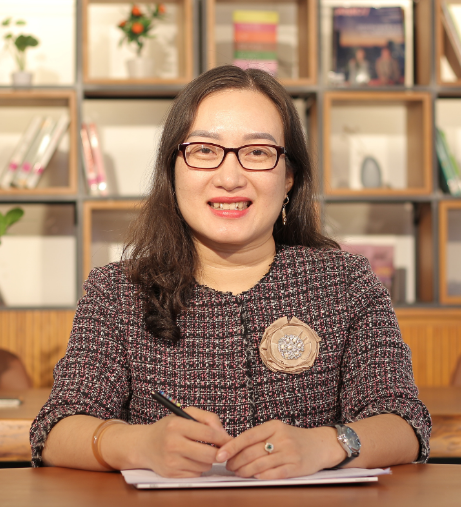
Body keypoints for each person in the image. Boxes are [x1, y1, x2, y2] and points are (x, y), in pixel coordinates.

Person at [30, 65, 430, 479]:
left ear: (289, 176)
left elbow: (406, 423)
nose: (230, 177)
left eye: (257, 152)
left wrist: (327, 444)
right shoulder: (117, 291)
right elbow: (55, 429)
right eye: (205, 150)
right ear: (173, 170)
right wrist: (138, 444)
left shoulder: (345, 283)